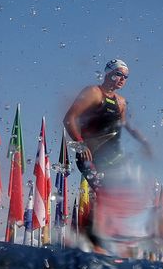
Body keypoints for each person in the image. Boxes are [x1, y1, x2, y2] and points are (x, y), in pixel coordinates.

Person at [64, 59, 152, 187]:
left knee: (125, 198)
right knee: (105, 194)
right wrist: (80, 144)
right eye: (119, 74)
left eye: (126, 77)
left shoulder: (121, 102)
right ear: (108, 73)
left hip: (112, 158)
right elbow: (69, 118)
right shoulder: (93, 92)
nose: (122, 79)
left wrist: (145, 143)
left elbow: (128, 126)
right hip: (90, 156)